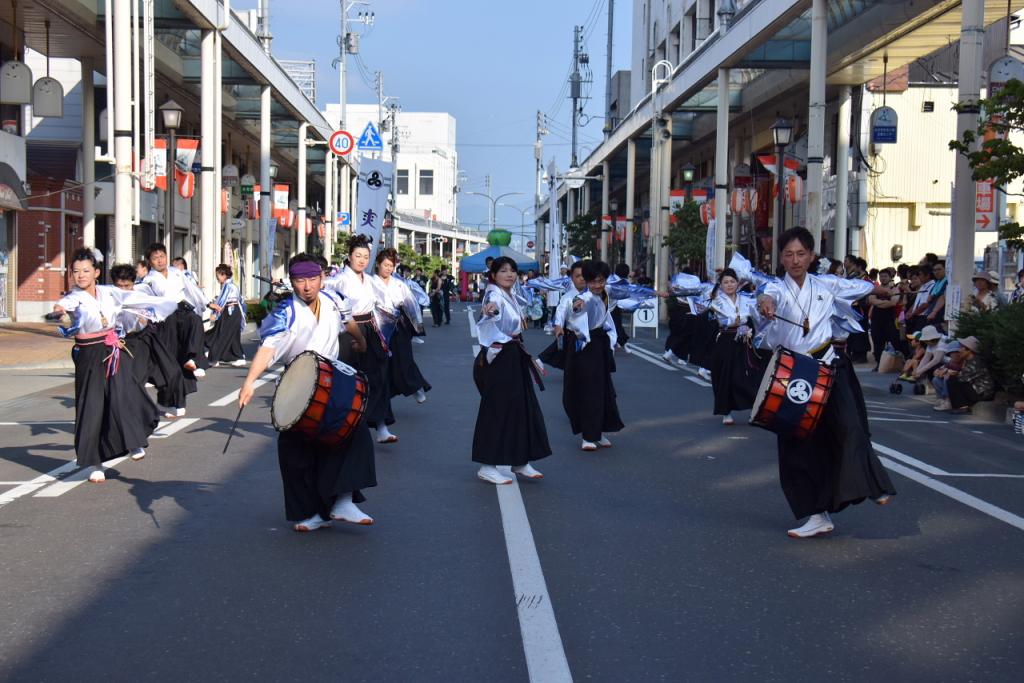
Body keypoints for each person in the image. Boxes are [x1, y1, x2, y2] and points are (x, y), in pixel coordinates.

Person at [757, 227, 896, 538]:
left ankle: (872, 485)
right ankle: (816, 515)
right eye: (789, 254)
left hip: (829, 366)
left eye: (801, 254)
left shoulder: (828, 284)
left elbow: (860, 288)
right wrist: (765, 304)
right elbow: (767, 297)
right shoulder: (775, 288)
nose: (795, 260)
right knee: (798, 448)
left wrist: (882, 290)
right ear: (781, 257)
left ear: (811, 257)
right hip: (793, 376)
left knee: (850, 426)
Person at [239, 253, 376, 532]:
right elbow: (268, 348)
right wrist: (249, 381)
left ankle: (344, 499)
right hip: (297, 382)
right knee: (296, 450)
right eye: (300, 280)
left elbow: (347, 322)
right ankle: (312, 512)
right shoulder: (285, 312)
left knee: (352, 431)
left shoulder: (334, 300)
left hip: (334, 377)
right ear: (291, 282)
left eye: (312, 279)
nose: (307, 286)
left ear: (322, 278)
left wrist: (360, 341)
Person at [53, 249, 177, 481]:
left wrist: (163, 304)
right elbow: (62, 309)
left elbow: (136, 299)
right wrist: (58, 315)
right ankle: (95, 462)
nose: (81, 275)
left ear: (96, 272)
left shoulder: (110, 292)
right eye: (76, 271)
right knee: (92, 407)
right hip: (88, 354)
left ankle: (134, 441)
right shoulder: (73, 297)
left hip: (112, 350)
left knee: (125, 395)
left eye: (86, 271)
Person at [472, 256, 551, 484]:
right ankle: (487, 465)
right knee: (497, 408)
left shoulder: (510, 294)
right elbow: (491, 311)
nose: (509, 274)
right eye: (504, 270)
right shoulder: (494, 294)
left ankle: (520, 460)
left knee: (522, 406)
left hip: (513, 353)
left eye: (512, 270)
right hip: (499, 356)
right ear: (494, 275)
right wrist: (491, 311)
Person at [325, 234, 399, 444]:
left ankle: (381, 425)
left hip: (370, 327)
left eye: (366, 256)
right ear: (349, 257)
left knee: (379, 376)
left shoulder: (369, 280)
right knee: (348, 378)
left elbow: (381, 303)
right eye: (358, 256)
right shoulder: (338, 280)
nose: (362, 260)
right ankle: (343, 423)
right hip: (349, 330)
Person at [562, 260, 624, 450]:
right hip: (583, 347)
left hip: (600, 346)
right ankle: (588, 435)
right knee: (588, 390)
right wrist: (576, 307)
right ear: (587, 281)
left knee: (604, 390)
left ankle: (600, 431)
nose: (597, 285)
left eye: (601, 281)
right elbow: (571, 311)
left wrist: (655, 294)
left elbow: (630, 295)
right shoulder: (583, 298)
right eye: (593, 281)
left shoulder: (605, 294)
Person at [139, 243, 206, 416]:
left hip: (182, 312)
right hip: (164, 321)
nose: (160, 260)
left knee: (196, 320)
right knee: (169, 363)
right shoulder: (148, 280)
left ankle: (192, 358)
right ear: (149, 261)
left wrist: (205, 303)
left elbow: (192, 291)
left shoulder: (177, 272)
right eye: (155, 258)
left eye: (162, 256)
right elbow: (144, 303)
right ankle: (166, 402)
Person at [708, 268, 767, 426]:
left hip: (744, 341)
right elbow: (720, 321)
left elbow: (753, 317)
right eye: (726, 282)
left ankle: (754, 409)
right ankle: (726, 411)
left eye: (732, 282)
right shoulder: (717, 301)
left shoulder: (746, 299)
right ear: (721, 285)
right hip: (726, 341)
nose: (729, 285)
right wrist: (732, 323)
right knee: (726, 376)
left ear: (738, 283)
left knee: (749, 376)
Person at [373, 248, 431, 404]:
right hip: (377, 328)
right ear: (378, 264)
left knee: (404, 359)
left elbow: (411, 305)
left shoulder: (399, 284)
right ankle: (381, 401)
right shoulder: (370, 282)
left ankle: (416, 387)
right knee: (384, 366)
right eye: (385, 265)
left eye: (391, 266)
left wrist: (417, 326)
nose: (388, 268)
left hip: (398, 327)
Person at [933, 336, 995, 413]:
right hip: (977, 390)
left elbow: (962, 378)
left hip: (982, 392)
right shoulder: (969, 360)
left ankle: (962, 406)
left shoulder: (975, 361)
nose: (959, 350)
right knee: (951, 379)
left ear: (968, 350)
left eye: (962, 348)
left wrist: (949, 373)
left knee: (952, 379)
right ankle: (956, 403)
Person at [206, 264, 246, 367]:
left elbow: (222, 301)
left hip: (230, 311)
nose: (217, 278)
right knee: (232, 335)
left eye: (218, 275)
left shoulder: (228, 286)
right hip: (233, 311)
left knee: (222, 335)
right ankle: (238, 356)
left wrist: (215, 313)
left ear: (223, 275)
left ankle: (214, 358)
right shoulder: (232, 285)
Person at [868, 268, 901, 371]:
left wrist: (879, 302)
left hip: (889, 318)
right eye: (881, 276)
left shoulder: (894, 289)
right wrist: (884, 303)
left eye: (885, 276)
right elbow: (871, 300)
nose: (883, 278)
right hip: (877, 317)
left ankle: (895, 363)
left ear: (890, 277)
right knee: (877, 341)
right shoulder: (875, 288)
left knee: (893, 339)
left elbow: (893, 302)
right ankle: (879, 363)